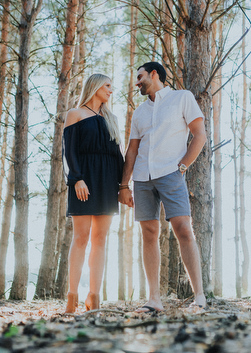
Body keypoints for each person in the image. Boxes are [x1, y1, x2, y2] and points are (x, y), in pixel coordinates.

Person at [118, 62, 207, 313]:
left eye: (140, 76)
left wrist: (182, 166)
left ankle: (199, 296)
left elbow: (199, 135)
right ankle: (154, 299)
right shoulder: (140, 112)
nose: (137, 82)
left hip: (171, 174)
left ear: (154, 74)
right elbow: (132, 150)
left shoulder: (182, 98)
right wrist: (124, 184)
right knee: (149, 233)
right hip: (143, 178)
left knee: (183, 229)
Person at [63, 74, 124, 313]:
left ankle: (94, 296)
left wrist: (123, 185)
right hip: (84, 180)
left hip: (108, 182)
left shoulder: (112, 118)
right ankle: (72, 296)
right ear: (95, 87)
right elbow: (68, 151)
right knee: (81, 238)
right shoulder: (75, 114)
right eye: (107, 86)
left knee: (100, 240)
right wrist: (76, 178)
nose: (111, 90)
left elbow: (118, 155)